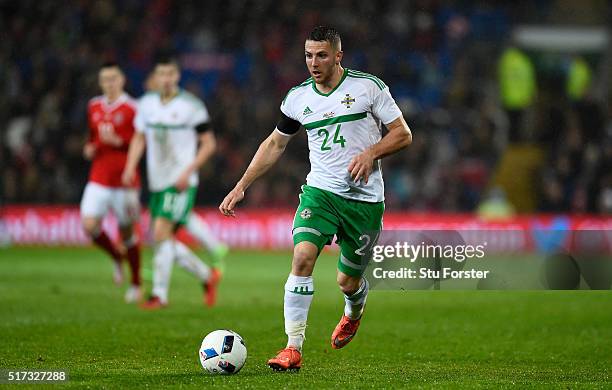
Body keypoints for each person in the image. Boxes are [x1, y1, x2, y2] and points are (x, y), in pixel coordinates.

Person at [219, 26, 412, 371]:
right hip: (320, 193)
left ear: (338, 56)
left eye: (321, 55)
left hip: (364, 202)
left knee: (347, 281)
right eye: (308, 55)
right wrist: (241, 185)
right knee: (303, 257)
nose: (313, 62)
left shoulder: (368, 87)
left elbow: (402, 134)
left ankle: (354, 309)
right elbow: (275, 143)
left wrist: (371, 153)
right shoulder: (298, 99)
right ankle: (292, 348)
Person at [122, 57, 221, 310]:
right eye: (161, 74)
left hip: (180, 181)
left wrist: (188, 171)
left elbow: (209, 143)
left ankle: (159, 295)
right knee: (162, 240)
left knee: (161, 233)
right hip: (157, 181)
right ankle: (206, 277)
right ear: (156, 76)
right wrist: (130, 167)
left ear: (177, 76)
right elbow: (139, 138)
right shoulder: (146, 104)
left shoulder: (192, 106)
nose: (165, 79)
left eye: (170, 74)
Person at [80, 62, 142, 303]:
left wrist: (121, 145)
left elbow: (139, 141)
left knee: (128, 234)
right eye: (105, 79)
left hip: (125, 182)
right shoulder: (93, 106)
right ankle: (117, 257)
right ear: (100, 81)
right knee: (89, 225)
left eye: (113, 78)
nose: (109, 83)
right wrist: (89, 148)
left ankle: (136, 282)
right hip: (98, 178)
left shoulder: (132, 108)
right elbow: (92, 137)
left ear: (122, 80)